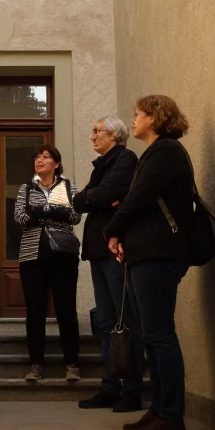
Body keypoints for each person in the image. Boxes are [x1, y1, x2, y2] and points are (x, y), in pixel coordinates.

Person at [105, 94, 197, 430]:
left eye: (138, 114)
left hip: (159, 255)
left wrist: (112, 229)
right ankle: (159, 409)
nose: (133, 119)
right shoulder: (157, 153)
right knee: (153, 335)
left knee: (159, 335)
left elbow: (139, 198)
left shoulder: (166, 151)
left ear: (155, 118)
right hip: (149, 254)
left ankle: (171, 415)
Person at [72, 115, 146, 412]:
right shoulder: (103, 165)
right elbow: (82, 202)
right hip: (99, 251)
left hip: (116, 251)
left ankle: (131, 390)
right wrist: (92, 198)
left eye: (96, 132)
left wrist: (93, 198)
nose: (92, 137)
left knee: (124, 322)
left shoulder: (125, 160)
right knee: (105, 323)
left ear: (113, 136)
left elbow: (108, 195)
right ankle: (110, 387)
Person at [13, 144, 83, 382]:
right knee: (35, 311)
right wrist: (52, 210)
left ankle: (72, 364)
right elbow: (20, 217)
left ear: (56, 163)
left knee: (66, 310)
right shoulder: (26, 187)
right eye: (37, 156)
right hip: (32, 256)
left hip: (63, 255)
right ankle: (35, 364)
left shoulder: (67, 186)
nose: (40, 160)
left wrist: (42, 210)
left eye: (45, 156)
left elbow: (75, 215)